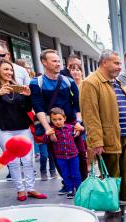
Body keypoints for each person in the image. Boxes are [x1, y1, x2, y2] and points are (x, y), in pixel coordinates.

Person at [81, 49, 126, 206]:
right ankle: (112, 201)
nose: (119, 67)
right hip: (109, 136)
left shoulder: (115, 81)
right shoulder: (91, 82)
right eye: (116, 63)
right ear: (104, 63)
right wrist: (96, 141)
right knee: (112, 171)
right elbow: (90, 115)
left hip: (125, 133)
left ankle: (125, 197)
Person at [0, 59, 46, 201]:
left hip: (23, 128)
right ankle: (20, 190)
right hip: (4, 129)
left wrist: (28, 96)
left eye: (11, 70)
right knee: (12, 161)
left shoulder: (17, 87)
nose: (9, 72)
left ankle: (31, 188)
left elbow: (26, 108)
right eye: (6, 69)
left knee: (28, 160)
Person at [30, 49, 88, 193]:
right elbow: (38, 107)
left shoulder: (68, 81)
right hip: (53, 126)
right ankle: (68, 183)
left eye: (58, 61)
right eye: (54, 61)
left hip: (72, 125)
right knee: (58, 157)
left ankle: (83, 184)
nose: (58, 64)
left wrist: (79, 123)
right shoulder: (36, 83)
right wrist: (48, 129)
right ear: (44, 62)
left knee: (80, 154)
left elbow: (77, 104)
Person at [46, 108, 83, 199]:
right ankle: (70, 189)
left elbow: (82, 132)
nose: (57, 122)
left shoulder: (70, 127)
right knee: (65, 174)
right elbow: (45, 140)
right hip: (60, 157)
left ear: (64, 118)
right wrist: (47, 134)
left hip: (73, 156)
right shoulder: (52, 131)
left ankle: (78, 190)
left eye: (59, 119)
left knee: (75, 173)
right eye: (54, 120)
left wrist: (82, 128)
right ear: (51, 120)